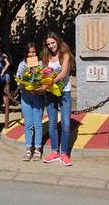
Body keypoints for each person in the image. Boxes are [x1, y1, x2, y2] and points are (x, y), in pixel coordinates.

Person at [39, 31, 75, 166]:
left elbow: (63, 73)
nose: (51, 46)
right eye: (48, 44)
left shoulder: (65, 54)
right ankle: (54, 151)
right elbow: (43, 72)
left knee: (65, 124)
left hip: (64, 92)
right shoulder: (46, 56)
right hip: (50, 93)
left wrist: (48, 82)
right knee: (52, 123)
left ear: (58, 41)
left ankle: (64, 153)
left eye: (53, 43)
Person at [16, 42, 44, 161]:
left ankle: (37, 149)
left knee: (37, 123)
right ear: (26, 53)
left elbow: (44, 78)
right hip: (26, 97)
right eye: (29, 52)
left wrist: (38, 86)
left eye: (33, 52)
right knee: (28, 123)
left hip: (38, 96)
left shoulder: (41, 63)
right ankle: (28, 148)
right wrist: (25, 84)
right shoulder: (22, 64)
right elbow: (18, 81)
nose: (31, 54)